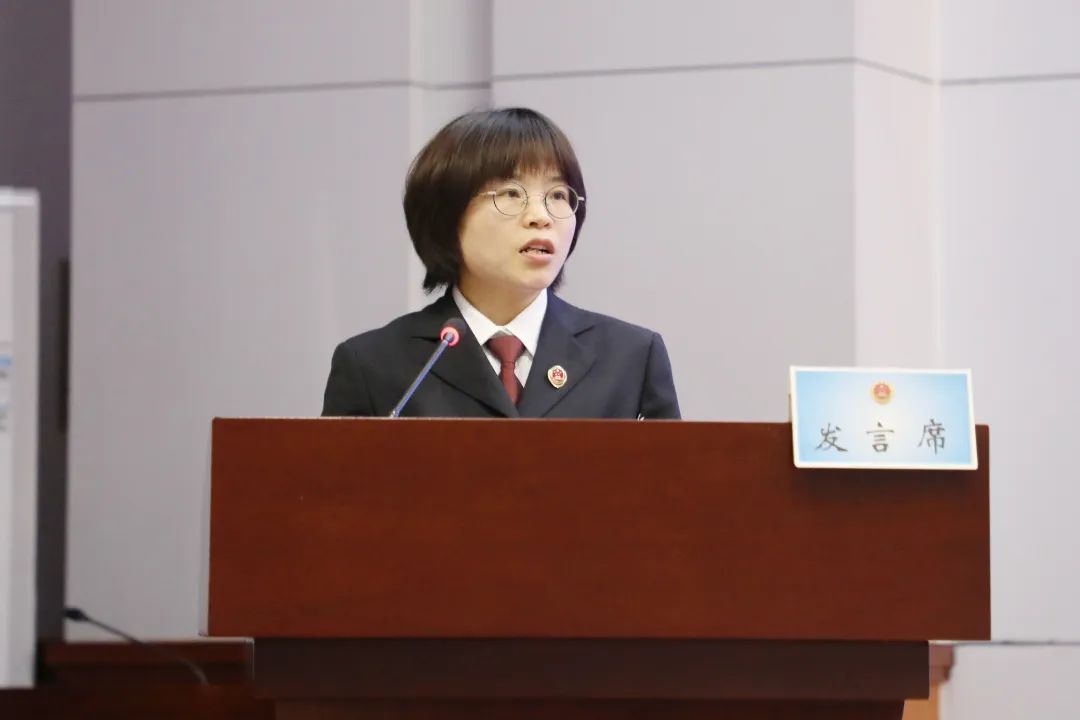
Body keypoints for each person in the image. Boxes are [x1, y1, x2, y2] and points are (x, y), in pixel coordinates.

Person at [322, 107, 680, 419]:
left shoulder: (631, 357)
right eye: (511, 193)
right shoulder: (374, 365)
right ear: (446, 214)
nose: (541, 217)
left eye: (558, 195)